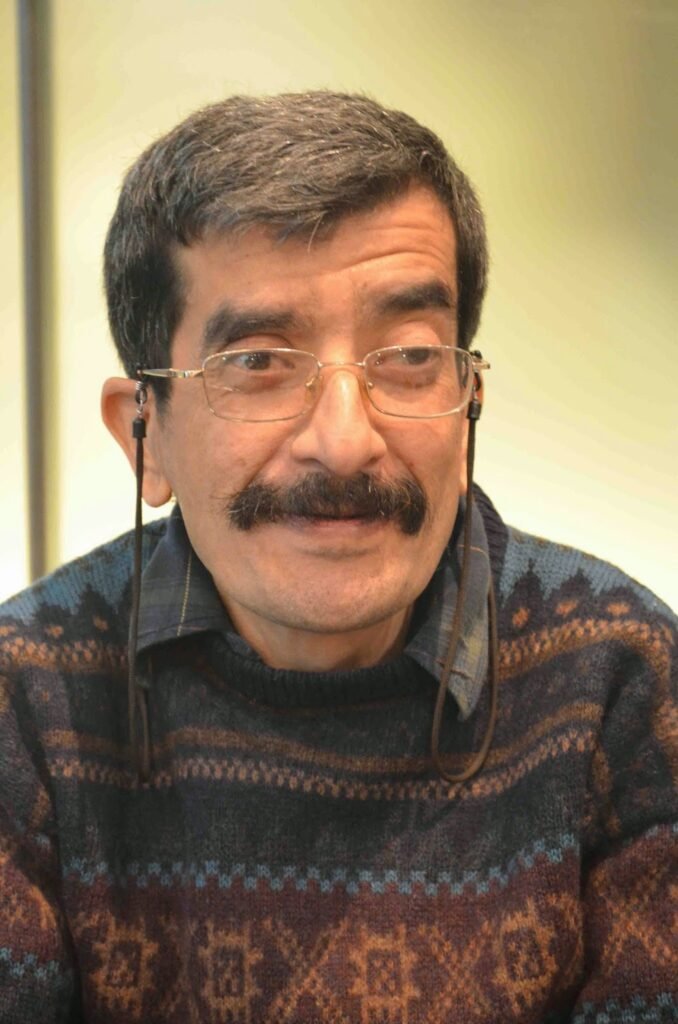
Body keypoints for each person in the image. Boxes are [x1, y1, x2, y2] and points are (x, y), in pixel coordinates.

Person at [0, 92, 675, 1024]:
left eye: (410, 356)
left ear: (468, 401)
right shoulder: (30, 703)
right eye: (258, 362)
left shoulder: (617, 678)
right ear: (145, 435)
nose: (347, 443)